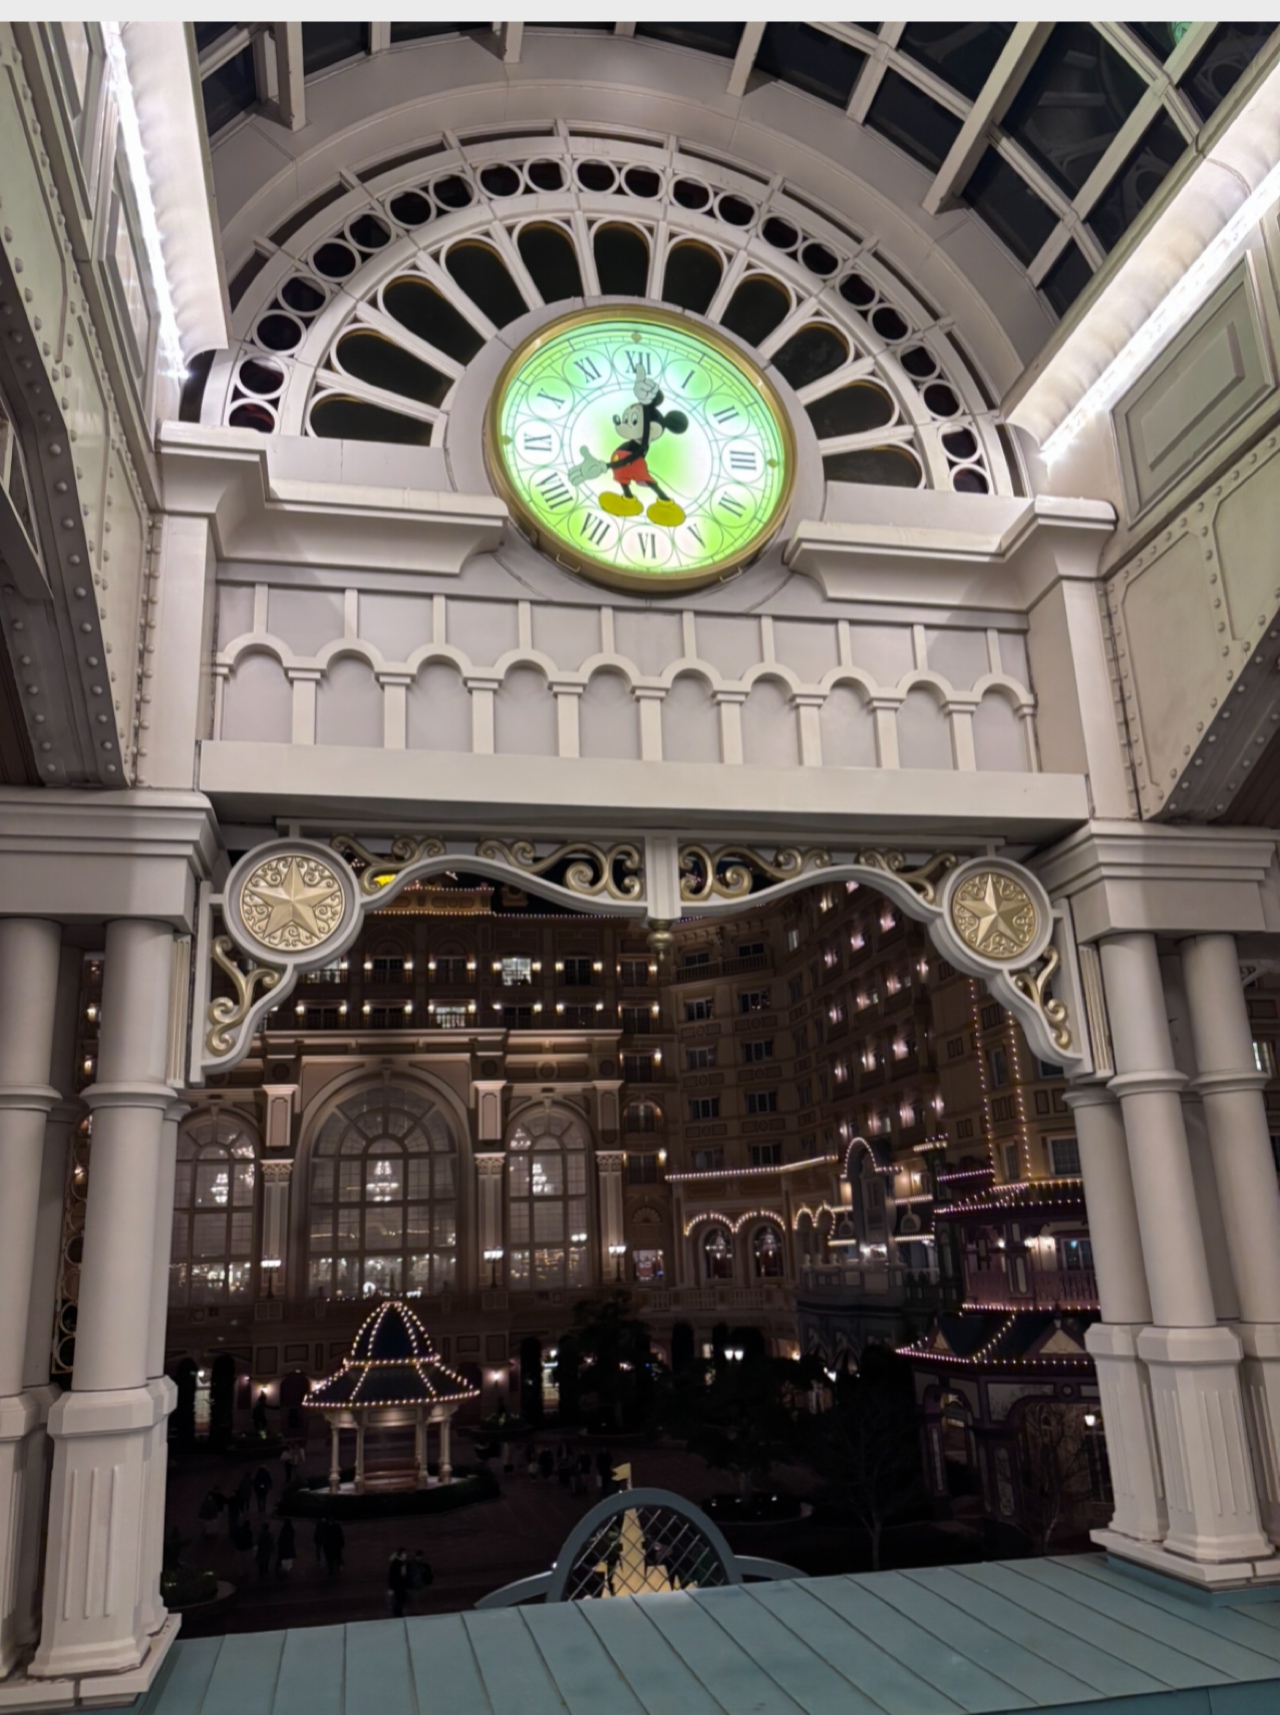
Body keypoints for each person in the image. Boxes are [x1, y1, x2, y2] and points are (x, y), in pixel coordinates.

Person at [387, 1548, 409, 1618]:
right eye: (404, 1554)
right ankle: (398, 1613)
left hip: (400, 1584)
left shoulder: (401, 1563)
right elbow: (393, 1576)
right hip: (398, 1585)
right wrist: (391, 1586)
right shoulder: (397, 1563)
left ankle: (398, 1612)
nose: (405, 1555)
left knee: (401, 1599)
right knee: (399, 1599)